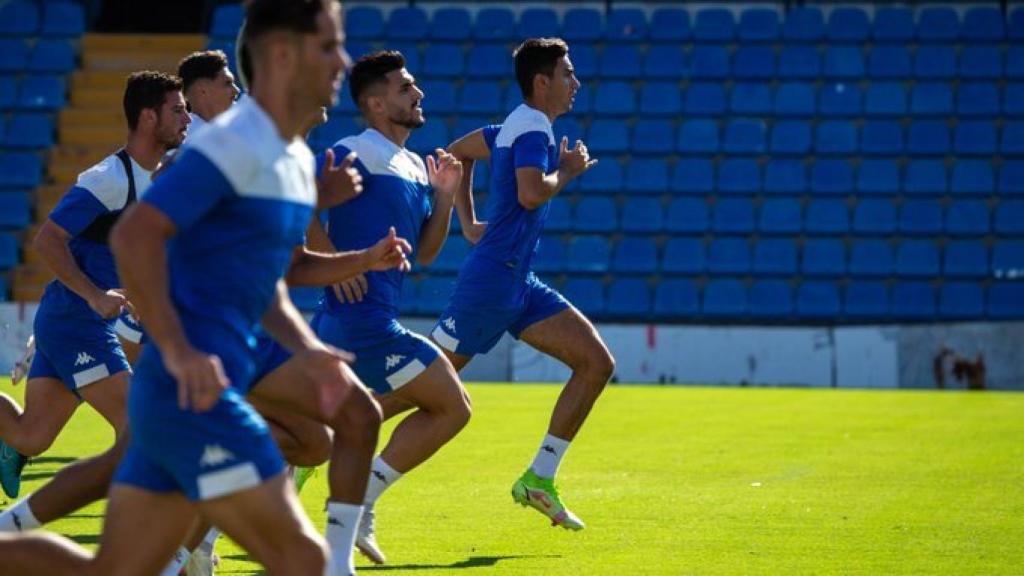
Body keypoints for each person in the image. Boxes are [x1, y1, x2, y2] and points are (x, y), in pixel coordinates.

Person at [0, 1, 370, 574]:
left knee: (115, 569)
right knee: (302, 553)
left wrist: (309, 350)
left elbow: (262, 281)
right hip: (192, 397)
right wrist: (177, 349)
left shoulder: (291, 156)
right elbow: (135, 240)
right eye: (328, 45)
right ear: (280, 55)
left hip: (198, 393)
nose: (343, 59)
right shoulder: (227, 146)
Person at [431, 38, 614, 531]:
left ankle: (540, 477)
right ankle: (323, 448)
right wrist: (568, 172)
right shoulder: (533, 129)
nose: (576, 83)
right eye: (568, 74)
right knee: (417, 387)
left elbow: (458, 152)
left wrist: (468, 223)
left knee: (595, 363)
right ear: (542, 82)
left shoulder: (516, 125)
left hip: (518, 282)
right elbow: (533, 194)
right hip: (490, 284)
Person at [303, 49, 469, 564]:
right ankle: (359, 509)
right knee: (451, 406)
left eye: (414, 85)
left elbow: (424, 252)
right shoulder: (354, 150)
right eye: (404, 88)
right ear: (375, 104)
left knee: (311, 437)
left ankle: (199, 540)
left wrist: (444, 198)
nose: (418, 93)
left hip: (364, 320)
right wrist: (333, 261)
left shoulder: (418, 166)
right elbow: (294, 201)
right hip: (361, 322)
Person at [0, 71, 190, 500]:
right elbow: (47, 240)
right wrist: (93, 295)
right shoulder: (109, 178)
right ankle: (158, 552)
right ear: (147, 118)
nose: (187, 119)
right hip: (77, 322)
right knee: (142, 431)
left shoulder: (161, 178)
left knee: (30, 436)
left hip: (75, 321)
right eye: (177, 109)